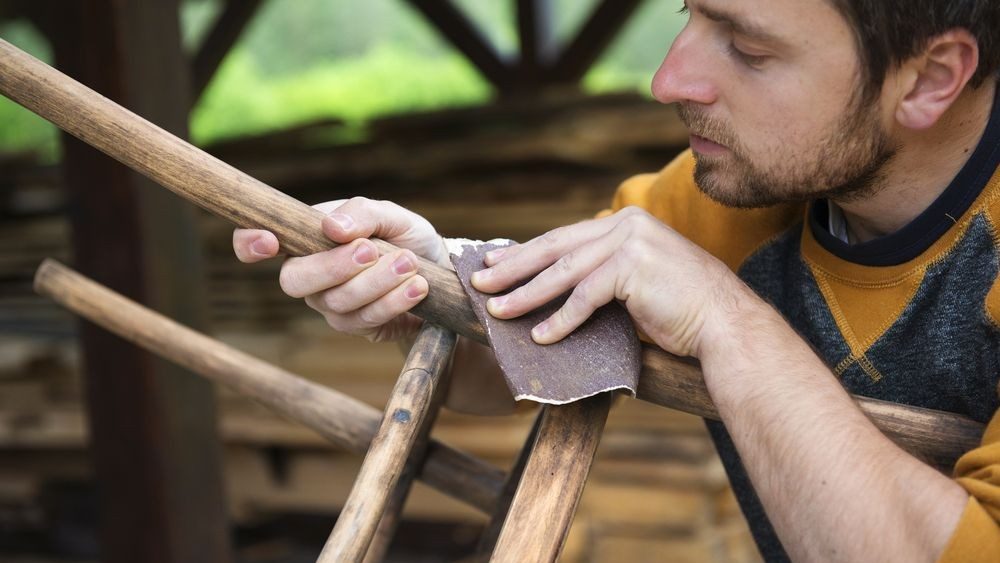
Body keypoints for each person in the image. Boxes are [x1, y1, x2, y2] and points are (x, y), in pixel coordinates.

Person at [233, 0, 1000, 560]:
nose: (669, 79)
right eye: (689, 14)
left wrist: (725, 319)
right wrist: (434, 288)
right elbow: (517, 363)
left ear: (930, 78)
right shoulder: (717, 199)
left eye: (747, 48)